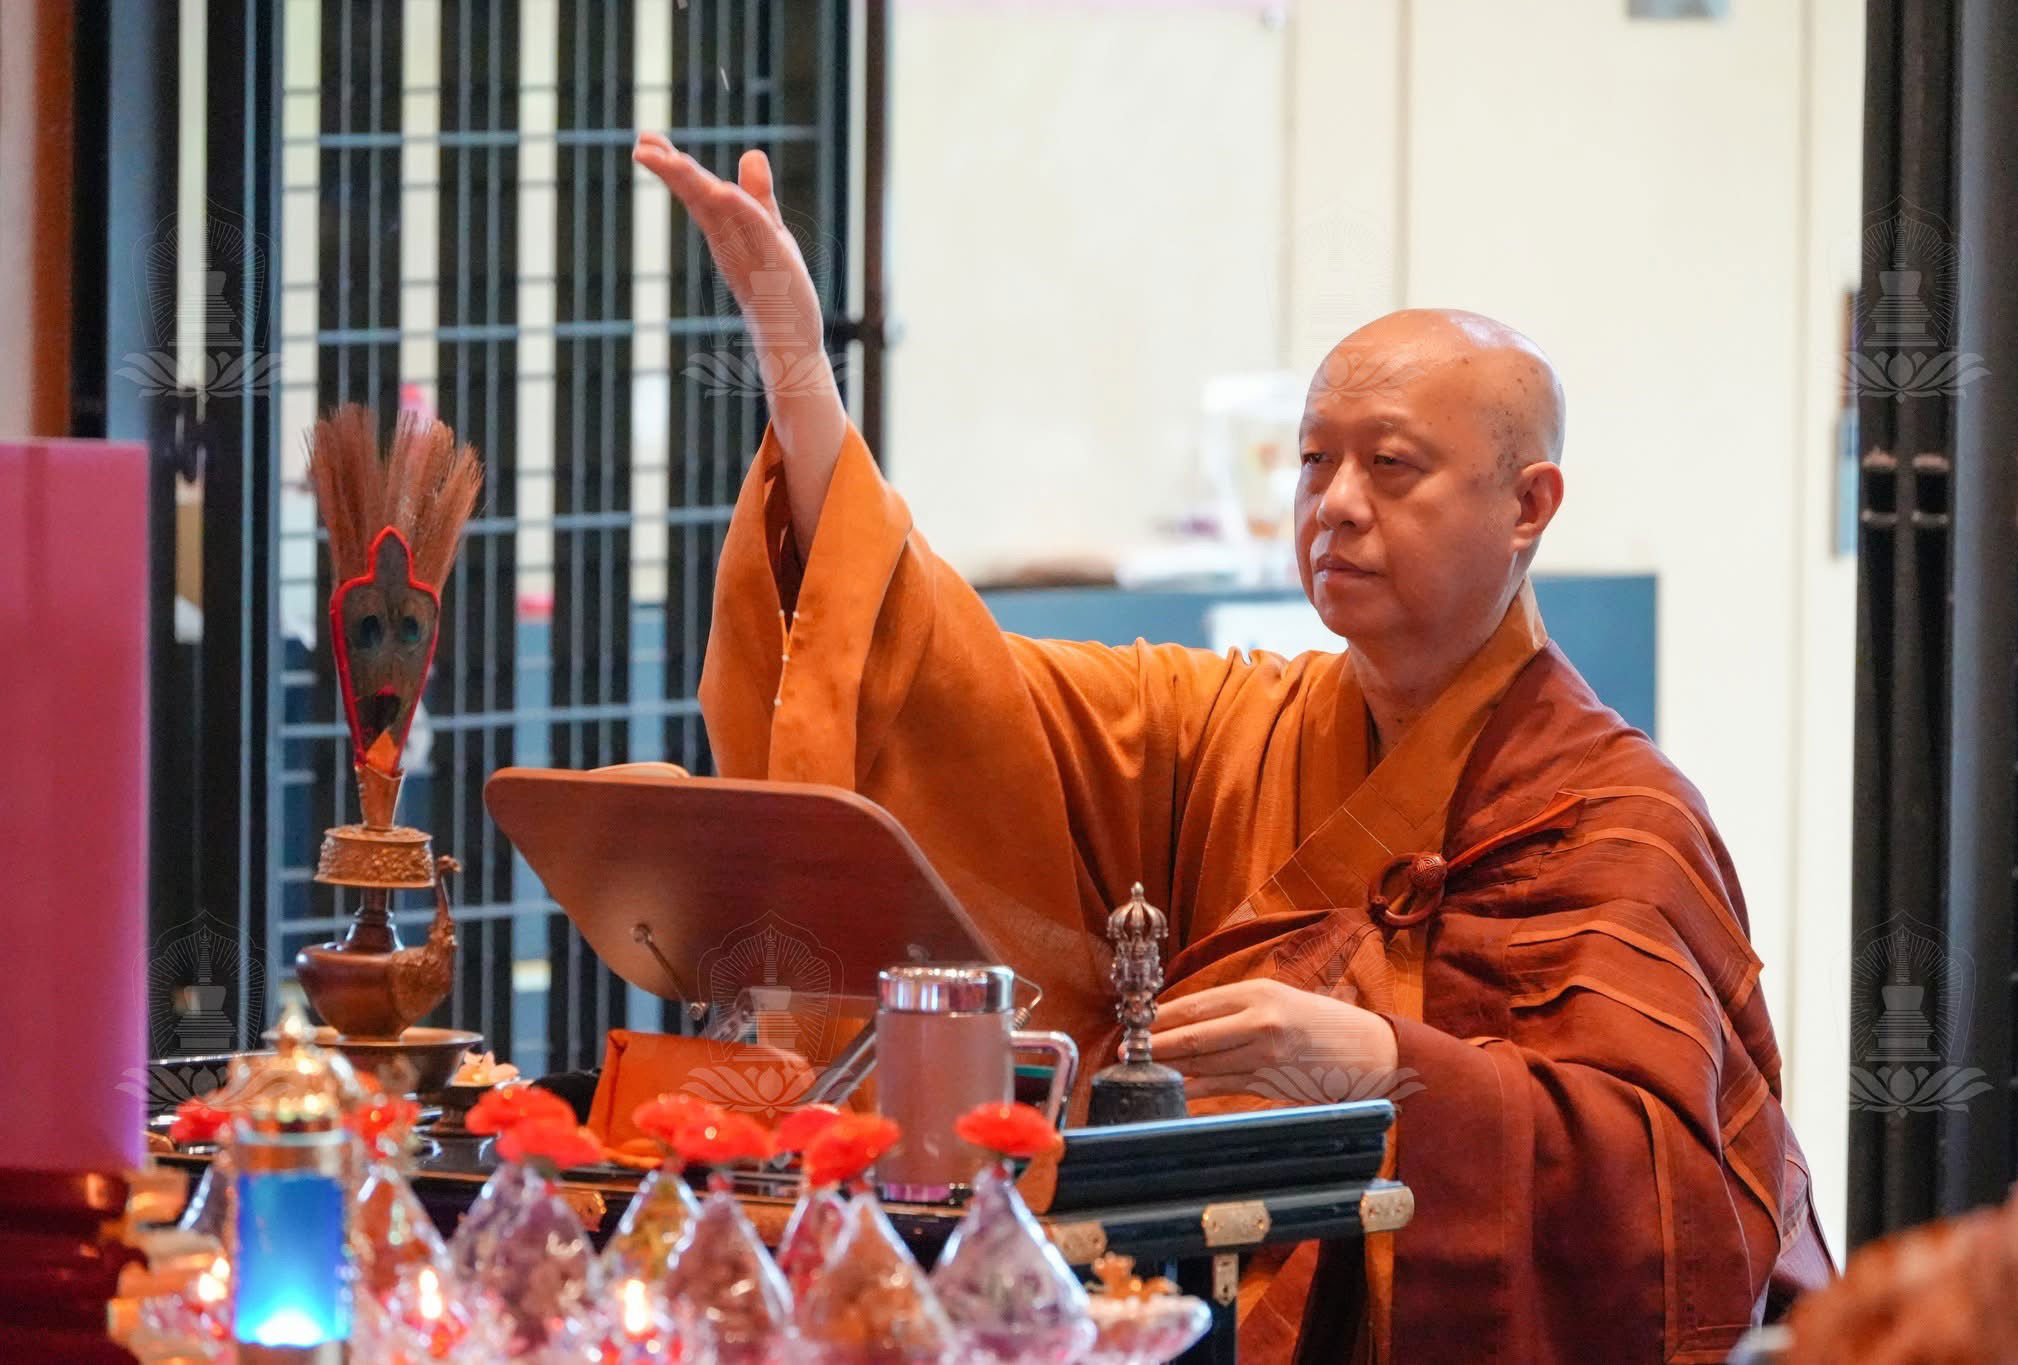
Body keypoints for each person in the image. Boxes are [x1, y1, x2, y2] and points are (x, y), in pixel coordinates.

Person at [634, 135, 1832, 1363]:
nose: (1337, 503)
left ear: (1527, 506)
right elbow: (941, 682)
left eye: (1392, 465)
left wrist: (1386, 1067)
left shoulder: (1616, 817)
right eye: (1315, 461)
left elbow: (1674, 1204)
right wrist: (796, 367)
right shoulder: (1229, 731)